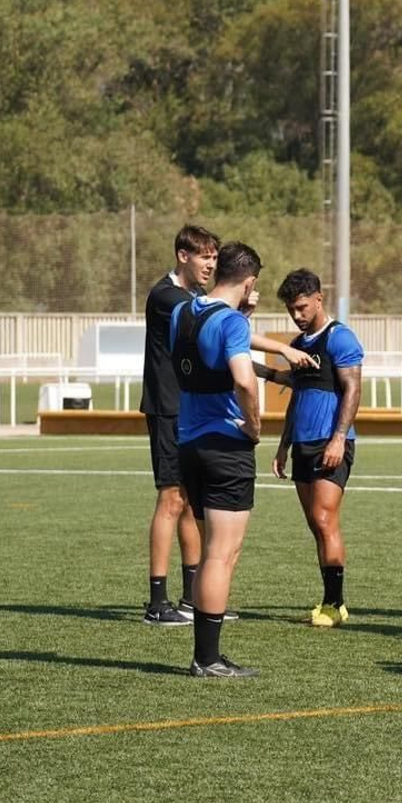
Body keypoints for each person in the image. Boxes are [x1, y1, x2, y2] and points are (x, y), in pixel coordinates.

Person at [173, 242, 269, 677]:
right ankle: (207, 658)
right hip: (225, 445)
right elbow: (244, 381)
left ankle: (206, 655)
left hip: (188, 441)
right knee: (221, 554)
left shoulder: (184, 312)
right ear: (249, 281)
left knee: (212, 547)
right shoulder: (230, 322)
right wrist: (253, 425)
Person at [271, 269, 364, 628]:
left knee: (325, 520)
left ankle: (333, 603)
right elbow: (296, 395)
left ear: (319, 298)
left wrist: (339, 438)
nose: (297, 315)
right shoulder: (298, 345)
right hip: (303, 445)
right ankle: (332, 601)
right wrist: (283, 446)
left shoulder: (340, 338)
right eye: (292, 310)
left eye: (302, 307)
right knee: (316, 524)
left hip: (332, 444)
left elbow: (353, 389)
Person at [139, 225, 218, 626]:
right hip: (167, 407)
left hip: (188, 409)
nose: (211, 264)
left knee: (188, 499)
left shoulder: (198, 299)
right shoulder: (165, 296)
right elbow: (207, 322)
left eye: (215, 257)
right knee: (171, 499)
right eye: (205, 256)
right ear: (182, 255)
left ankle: (192, 598)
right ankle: (157, 602)